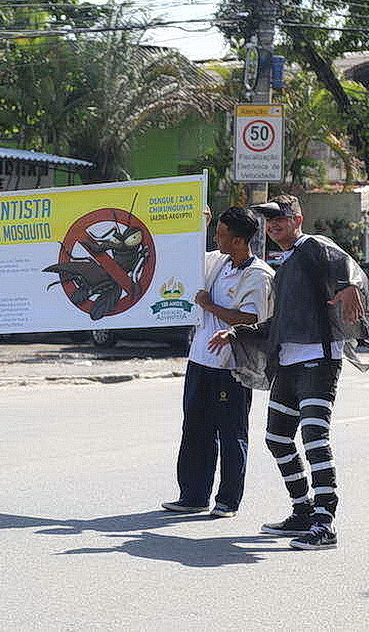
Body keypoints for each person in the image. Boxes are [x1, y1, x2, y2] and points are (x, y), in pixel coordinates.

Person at [208, 194, 369, 551]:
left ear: (298, 219)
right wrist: (239, 332)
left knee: (315, 438)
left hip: (318, 360)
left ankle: (325, 523)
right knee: (277, 438)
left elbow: (348, 265)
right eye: (269, 221)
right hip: (288, 362)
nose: (273, 225)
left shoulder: (314, 246)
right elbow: (282, 320)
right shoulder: (285, 263)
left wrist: (351, 286)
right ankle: (302, 509)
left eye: (280, 219)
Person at [161, 207, 274, 518]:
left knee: (231, 432)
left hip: (231, 366)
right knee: (195, 428)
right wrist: (201, 224)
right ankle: (193, 496)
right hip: (200, 359)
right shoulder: (219, 261)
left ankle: (227, 501)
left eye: (222, 235)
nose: (217, 239)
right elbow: (190, 257)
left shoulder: (258, 275)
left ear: (239, 240)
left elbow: (251, 318)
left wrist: (210, 306)